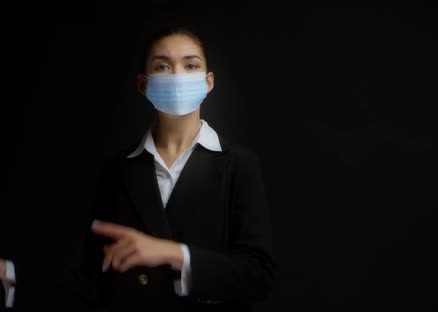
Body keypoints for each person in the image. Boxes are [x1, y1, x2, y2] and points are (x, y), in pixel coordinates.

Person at [2, 24, 275, 311]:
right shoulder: (119, 170)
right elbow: (95, 284)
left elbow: (257, 276)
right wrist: (11, 275)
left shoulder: (239, 165)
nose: (178, 75)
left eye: (190, 64)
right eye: (163, 66)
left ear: (208, 82)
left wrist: (173, 253)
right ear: (143, 84)